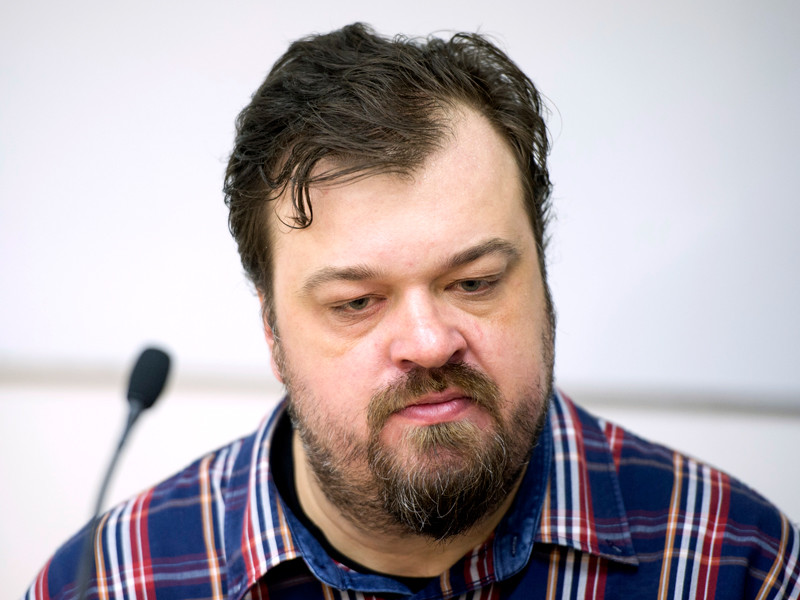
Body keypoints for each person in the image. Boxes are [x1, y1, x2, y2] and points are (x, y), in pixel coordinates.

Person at [25, 23, 799, 600]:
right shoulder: (110, 582)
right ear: (272, 333)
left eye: (475, 282)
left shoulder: (735, 563)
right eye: (357, 302)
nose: (428, 343)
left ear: (542, 278)